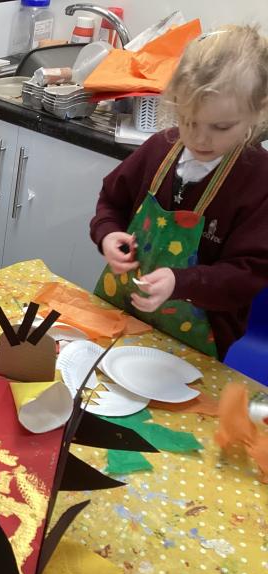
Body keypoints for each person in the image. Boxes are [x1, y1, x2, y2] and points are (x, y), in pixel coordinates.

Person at [90, 25, 268, 359]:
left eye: (220, 127)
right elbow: (112, 201)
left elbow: (248, 274)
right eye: (188, 120)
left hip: (196, 341)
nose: (199, 139)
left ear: (257, 112)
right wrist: (108, 233)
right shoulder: (160, 148)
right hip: (122, 313)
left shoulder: (259, 180)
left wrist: (181, 282)